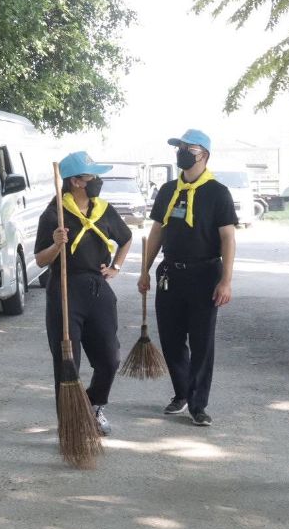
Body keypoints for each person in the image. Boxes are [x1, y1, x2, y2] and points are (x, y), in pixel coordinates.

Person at [138, 129, 237, 427]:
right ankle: (181, 392)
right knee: (170, 339)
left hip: (205, 275)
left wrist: (226, 280)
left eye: (187, 148)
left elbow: (228, 238)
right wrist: (145, 270)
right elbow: (157, 231)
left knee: (202, 342)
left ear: (203, 155)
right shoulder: (168, 190)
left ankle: (198, 404)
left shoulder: (218, 193)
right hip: (171, 273)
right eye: (179, 147)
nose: (181, 152)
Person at [35, 151, 132, 435]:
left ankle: (92, 405)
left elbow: (125, 238)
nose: (97, 181)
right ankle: (69, 423)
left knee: (110, 358)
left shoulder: (104, 209)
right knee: (68, 362)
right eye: (92, 176)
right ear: (75, 181)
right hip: (65, 291)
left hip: (97, 289)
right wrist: (56, 245)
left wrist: (116, 267)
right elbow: (40, 260)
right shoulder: (54, 214)